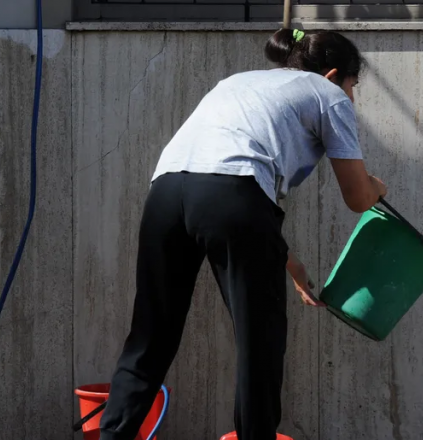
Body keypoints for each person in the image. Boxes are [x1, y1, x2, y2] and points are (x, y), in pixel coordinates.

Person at [97, 28, 387, 440]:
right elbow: (358, 198)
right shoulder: (329, 95)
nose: (352, 96)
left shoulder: (239, 82)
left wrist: (289, 263)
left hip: (166, 192)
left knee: (152, 333)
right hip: (232, 196)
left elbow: (231, 184)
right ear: (334, 74)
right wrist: (378, 186)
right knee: (259, 342)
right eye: (353, 85)